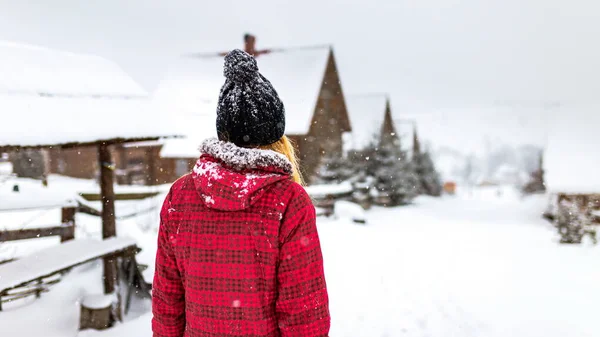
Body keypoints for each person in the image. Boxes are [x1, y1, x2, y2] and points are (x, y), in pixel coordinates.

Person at [152, 49, 330, 337]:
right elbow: (304, 314)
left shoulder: (181, 196)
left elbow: (166, 301)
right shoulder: (288, 201)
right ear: (277, 138)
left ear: (224, 132)